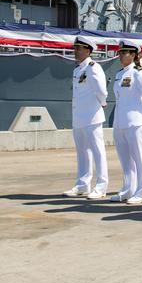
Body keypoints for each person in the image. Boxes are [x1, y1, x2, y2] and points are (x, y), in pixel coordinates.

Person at [62, 36, 109, 199]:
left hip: (92, 116)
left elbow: (101, 91)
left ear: (88, 51)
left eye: (79, 48)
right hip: (79, 117)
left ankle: (101, 186)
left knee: (98, 151)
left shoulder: (93, 68)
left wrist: (102, 103)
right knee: (82, 152)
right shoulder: (77, 70)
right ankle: (82, 184)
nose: (75, 51)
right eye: (75, 48)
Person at [110, 40, 142, 204]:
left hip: (135, 122)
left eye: (124, 53)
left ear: (133, 54)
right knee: (125, 159)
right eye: (120, 53)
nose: (121, 56)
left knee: (140, 158)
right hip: (120, 122)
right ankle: (128, 188)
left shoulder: (139, 73)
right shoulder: (119, 74)